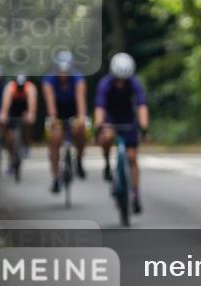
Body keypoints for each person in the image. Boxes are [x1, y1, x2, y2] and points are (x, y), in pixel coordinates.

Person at [94, 52, 149, 214]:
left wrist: (144, 127)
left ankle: (136, 195)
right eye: (118, 79)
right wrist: (99, 127)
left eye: (123, 80)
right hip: (110, 118)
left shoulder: (134, 83)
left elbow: (142, 106)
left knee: (132, 157)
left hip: (128, 119)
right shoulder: (105, 84)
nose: (120, 83)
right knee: (107, 137)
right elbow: (100, 107)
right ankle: (107, 163)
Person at [42, 50, 88, 193]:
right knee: (54, 139)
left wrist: (81, 118)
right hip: (57, 112)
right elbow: (50, 104)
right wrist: (54, 119)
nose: (64, 75)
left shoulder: (78, 79)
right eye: (61, 72)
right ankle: (56, 177)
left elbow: (81, 102)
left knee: (81, 130)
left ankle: (79, 161)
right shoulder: (48, 81)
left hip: (73, 111)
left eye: (66, 72)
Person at [0, 74, 37, 174]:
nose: (20, 88)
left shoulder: (30, 88)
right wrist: (4, 115)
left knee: (28, 122)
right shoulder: (9, 87)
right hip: (12, 110)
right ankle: (11, 161)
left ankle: (27, 144)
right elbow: (6, 105)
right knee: (10, 137)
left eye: (22, 86)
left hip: (24, 109)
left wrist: (31, 114)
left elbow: (32, 104)